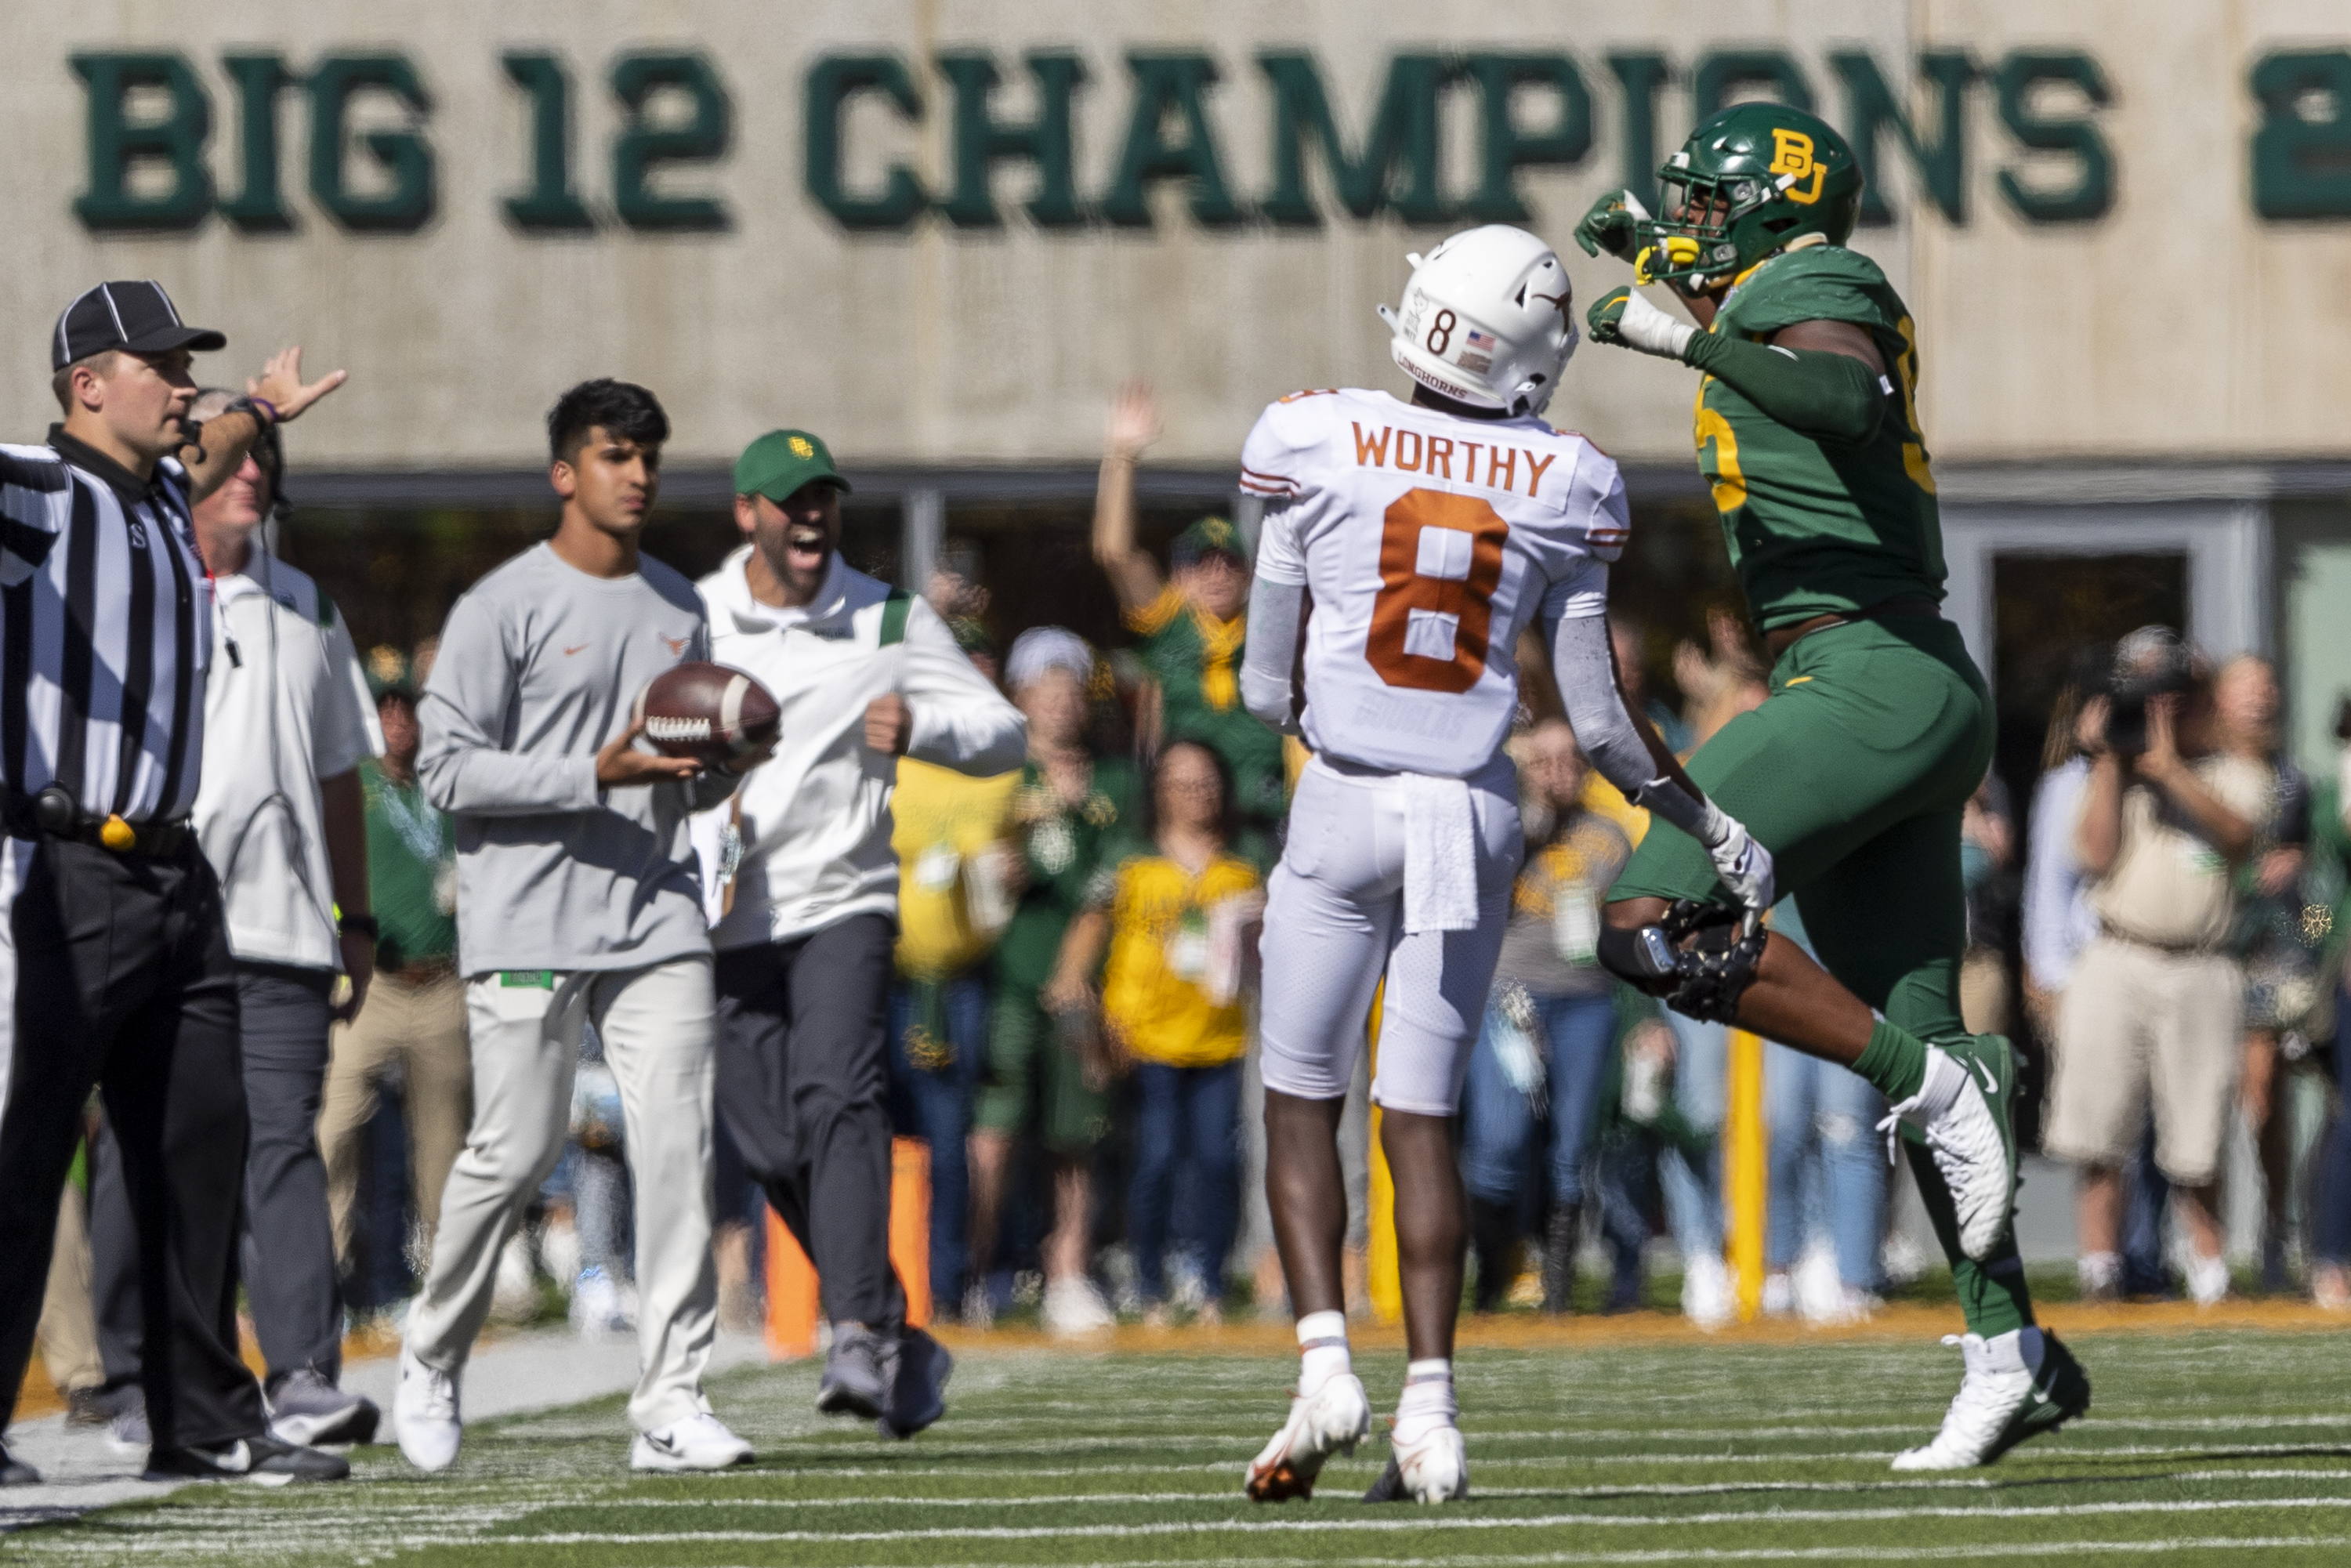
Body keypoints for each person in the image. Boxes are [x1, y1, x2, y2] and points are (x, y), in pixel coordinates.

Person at [1578, 101, 2084, 1470]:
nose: (1683, 229)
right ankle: (2006, 1351)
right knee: (1921, 1037)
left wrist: (1681, 327)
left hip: (1864, 676)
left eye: (1700, 208)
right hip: (1890, 673)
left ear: (1766, 206)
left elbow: (1842, 397)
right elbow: (1760, 341)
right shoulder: (1775, 288)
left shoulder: (1820, 284)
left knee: (1644, 920)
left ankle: (1938, 1084)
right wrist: (1669, 278)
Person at [1233, 223, 1773, 1505]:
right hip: (1469, 810)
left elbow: (1263, 685)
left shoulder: (1314, 435)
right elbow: (1595, 722)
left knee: (1300, 1089)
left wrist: (1330, 710)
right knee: (1417, 1108)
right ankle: (1432, 1410)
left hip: (1347, 795)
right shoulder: (1566, 478)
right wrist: (1706, 820)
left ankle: (1324, 1364)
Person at [0, 281, 350, 1486]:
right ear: (87, 385)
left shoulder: (160, 485)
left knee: (201, 1142)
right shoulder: (32, 490)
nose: (180, 381)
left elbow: (216, 436)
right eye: (158, 363)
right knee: (30, 1151)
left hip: (175, 866)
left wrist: (261, 401)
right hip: (64, 866)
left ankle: (199, 1419)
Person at [394, 379, 761, 1476]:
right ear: (565, 473)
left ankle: (671, 1400)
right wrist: (588, 769)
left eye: (649, 454)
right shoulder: (498, 606)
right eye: (614, 454)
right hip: (524, 919)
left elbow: (678, 792)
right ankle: (431, 1348)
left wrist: (722, 769)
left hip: (656, 913)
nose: (638, 473)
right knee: (512, 1151)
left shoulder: (679, 606)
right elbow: (444, 770)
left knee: (680, 1146)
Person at [690, 428, 1023, 1432]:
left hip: (847, 900)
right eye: (788, 501)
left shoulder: (887, 618)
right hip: (733, 910)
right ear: (746, 513)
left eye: (823, 499)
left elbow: (1002, 730)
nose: (810, 517)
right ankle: (894, 1326)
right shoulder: (696, 615)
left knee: (839, 1094)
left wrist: (927, 732)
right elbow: (655, 742)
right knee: (765, 1135)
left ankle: (853, 1333)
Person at [86, 383, 382, 1453]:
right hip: (153, 914)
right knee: (140, 1152)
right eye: (236, 448)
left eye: (270, 455)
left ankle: (302, 1372)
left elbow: (343, 772)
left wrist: (356, 916)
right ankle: (132, 1377)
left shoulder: (309, 605)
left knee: (279, 1148)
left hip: (286, 931)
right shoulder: (135, 584)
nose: (254, 467)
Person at [2051, 628, 2264, 1307]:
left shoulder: (2238, 771)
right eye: (2150, 701)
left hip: (2201, 962)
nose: (2161, 714)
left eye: (2176, 699)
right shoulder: (2102, 774)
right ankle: (2101, 1268)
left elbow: (2239, 837)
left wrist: (2171, 767)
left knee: (2199, 1130)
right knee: (2097, 1123)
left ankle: (2209, 1270)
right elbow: (2092, 854)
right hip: (2117, 953)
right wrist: (2109, 759)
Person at [968, 628, 1141, 1335]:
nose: (1063, 700)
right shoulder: (998, 776)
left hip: (1083, 983)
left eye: (1073, 686)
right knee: (997, 1124)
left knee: (1078, 1133)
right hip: (1009, 973)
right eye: (1047, 685)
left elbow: (1112, 880)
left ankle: (1068, 1268)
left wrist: (1077, 968)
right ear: (1020, 696)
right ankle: (977, 1268)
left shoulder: (1114, 780)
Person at [1084, 741, 1266, 1325]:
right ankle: (1147, 1281)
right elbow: (1095, 931)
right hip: (1146, 1038)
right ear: (1159, 790)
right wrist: (1096, 1014)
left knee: (1216, 1159)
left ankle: (1211, 1282)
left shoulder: (1243, 866)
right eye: (1182, 783)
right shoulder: (1130, 860)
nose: (1196, 795)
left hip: (1219, 1036)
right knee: (1155, 1158)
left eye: (1207, 782)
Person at [1459, 720, 1632, 1315]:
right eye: (1544, 760)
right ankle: (1492, 1270)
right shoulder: (1502, 826)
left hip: (1587, 997)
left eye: (1570, 758)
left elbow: (1630, 926)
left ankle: (1556, 1290)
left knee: (1570, 1144)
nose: (1558, 770)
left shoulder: (1609, 836)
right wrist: (1527, 822)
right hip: (1512, 996)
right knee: (1501, 1137)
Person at [316, 681, 472, 1293]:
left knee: (445, 1148)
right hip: (369, 981)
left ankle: (448, 1284)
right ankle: (320, 1279)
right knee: (331, 1130)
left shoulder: (445, 785)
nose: (398, 720)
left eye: (408, 708)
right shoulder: (352, 781)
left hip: (440, 982)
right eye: (386, 707)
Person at [886, 623, 1022, 1321]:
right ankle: (860, 1282)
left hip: (962, 976)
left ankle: (940, 1282)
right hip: (883, 972)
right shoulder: (887, 747)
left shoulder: (1000, 760)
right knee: (869, 1129)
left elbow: (1019, 858)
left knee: (947, 1136)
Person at [1092, 383, 1288, 833]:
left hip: (1263, 809)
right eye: (1205, 564)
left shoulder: (1267, 625)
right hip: (1186, 814)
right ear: (1188, 576)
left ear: (1248, 575)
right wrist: (1121, 456)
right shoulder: (1170, 620)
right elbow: (1115, 553)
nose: (1218, 575)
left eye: (1229, 564)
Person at [2214, 654, 2315, 1291]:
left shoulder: (2293, 782)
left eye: (2268, 687)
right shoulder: (2205, 773)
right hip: (2202, 949)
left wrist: (2314, 947)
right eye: (2247, 688)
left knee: (2265, 1095)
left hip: (2272, 963)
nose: (2262, 699)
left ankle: (2276, 1233)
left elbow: (2319, 894)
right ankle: (2203, 1251)